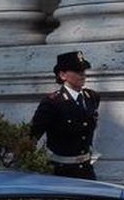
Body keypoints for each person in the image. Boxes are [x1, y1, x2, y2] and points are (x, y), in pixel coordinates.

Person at [30, 50, 100, 180]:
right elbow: (32, 136)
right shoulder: (52, 102)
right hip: (61, 172)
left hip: (86, 170)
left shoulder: (92, 97)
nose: (83, 75)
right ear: (63, 75)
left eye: (84, 71)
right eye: (77, 71)